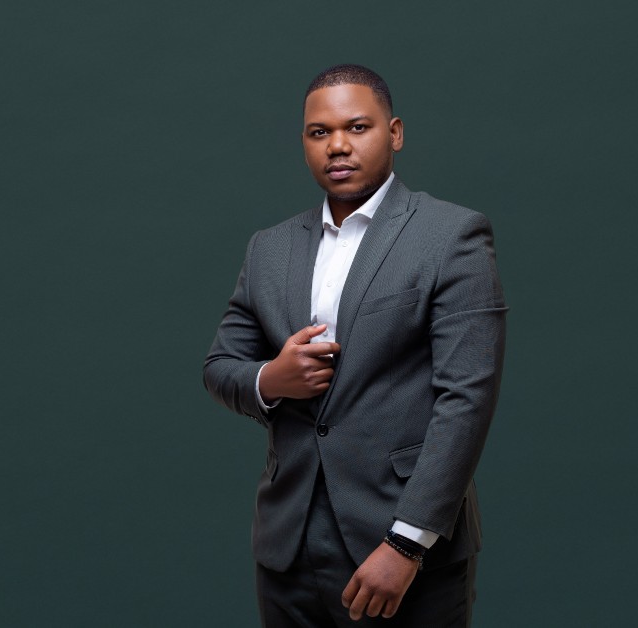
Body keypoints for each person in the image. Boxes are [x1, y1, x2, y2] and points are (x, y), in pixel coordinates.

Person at [203, 64, 506, 627]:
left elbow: (466, 400)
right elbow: (221, 365)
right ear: (304, 142)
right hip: (288, 545)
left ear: (394, 133)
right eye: (319, 132)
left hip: (400, 542)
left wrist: (407, 543)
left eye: (357, 127)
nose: (337, 146)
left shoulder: (451, 235)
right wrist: (272, 379)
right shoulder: (269, 248)